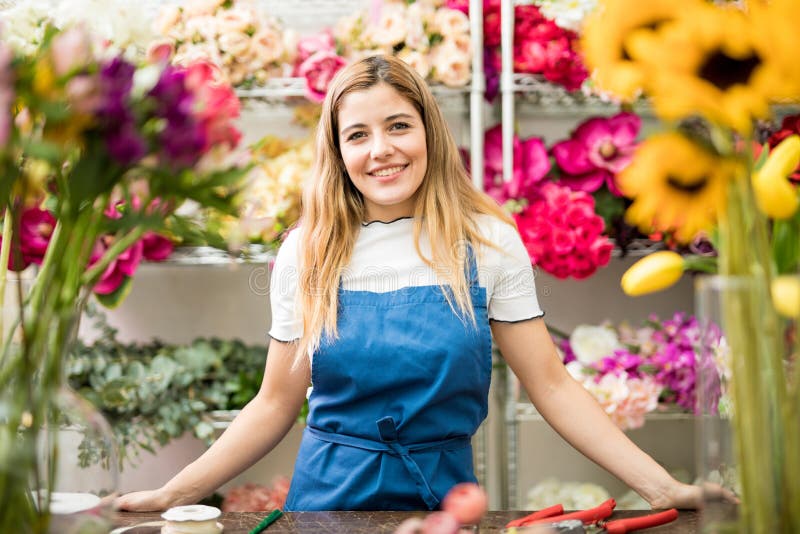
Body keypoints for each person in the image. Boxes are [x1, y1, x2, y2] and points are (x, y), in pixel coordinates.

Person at [118, 54, 705, 512]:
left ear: (429, 131)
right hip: (326, 507)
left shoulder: (488, 243)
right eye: (358, 135)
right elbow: (275, 403)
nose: (382, 151)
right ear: (338, 150)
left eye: (398, 125)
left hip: (446, 502)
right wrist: (175, 493)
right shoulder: (308, 250)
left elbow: (551, 386)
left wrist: (660, 487)